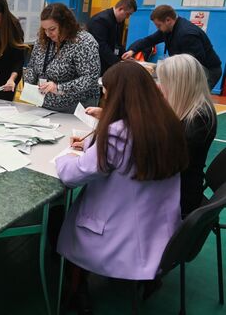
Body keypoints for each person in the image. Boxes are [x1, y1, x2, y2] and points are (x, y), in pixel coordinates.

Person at [55, 62, 188, 312]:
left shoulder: (117, 133)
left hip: (120, 232)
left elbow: (74, 175)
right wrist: (89, 146)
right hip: (158, 228)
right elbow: (125, 153)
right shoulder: (167, 122)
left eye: (106, 92)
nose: (105, 97)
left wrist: (65, 157)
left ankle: (76, 290)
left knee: (67, 224)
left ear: (118, 94)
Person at [157, 54, 217, 216]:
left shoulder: (200, 119)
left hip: (180, 196)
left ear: (179, 85)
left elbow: (165, 159)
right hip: (175, 185)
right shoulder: (188, 108)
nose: (160, 87)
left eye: (164, 83)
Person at [122, 5, 222, 90]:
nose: (158, 28)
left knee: (193, 101)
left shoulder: (187, 34)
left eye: (159, 25)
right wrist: (132, 50)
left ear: (168, 20)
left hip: (207, 71)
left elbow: (194, 62)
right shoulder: (168, 29)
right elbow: (149, 40)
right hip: (190, 69)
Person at [23, 3, 100, 113]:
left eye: (52, 29)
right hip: (45, 104)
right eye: (44, 29)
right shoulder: (43, 40)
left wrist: (59, 88)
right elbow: (32, 66)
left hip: (76, 107)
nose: (48, 34)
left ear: (66, 25)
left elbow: (90, 78)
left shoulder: (84, 42)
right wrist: (29, 84)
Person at [87, 0, 137, 74]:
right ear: (120, 9)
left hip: (108, 61)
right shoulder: (101, 20)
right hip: (95, 63)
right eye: (127, 14)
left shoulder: (119, 20)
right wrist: (118, 63)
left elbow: (118, 43)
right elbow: (101, 46)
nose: (127, 17)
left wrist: (125, 55)